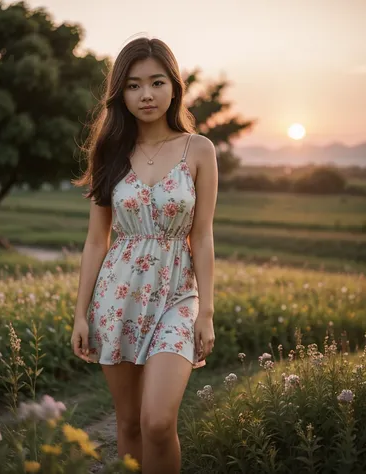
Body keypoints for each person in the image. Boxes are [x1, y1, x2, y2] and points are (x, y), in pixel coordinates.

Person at [71, 36, 218, 474]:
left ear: (174, 86)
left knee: (157, 421)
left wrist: (206, 311)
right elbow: (97, 239)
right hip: (117, 298)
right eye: (134, 86)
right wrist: (80, 313)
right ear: (122, 93)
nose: (147, 94)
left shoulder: (199, 150)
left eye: (156, 82)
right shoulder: (109, 151)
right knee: (129, 423)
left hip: (177, 297)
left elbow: (204, 235)